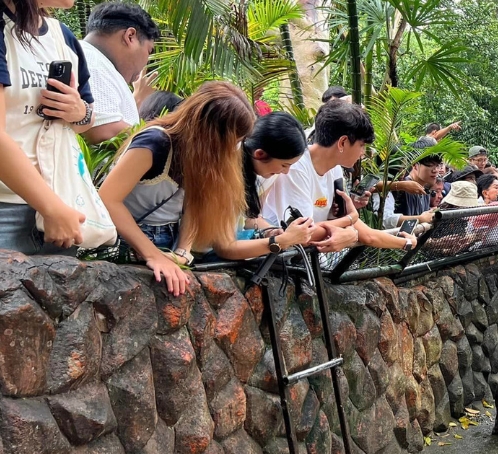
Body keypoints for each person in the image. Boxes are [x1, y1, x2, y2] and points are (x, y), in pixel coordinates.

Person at [100, 82, 315, 296]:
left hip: (171, 239)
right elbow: (108, 200)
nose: (237, 149)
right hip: (130, 240)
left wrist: (183, 252)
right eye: (235, 141)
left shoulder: (201, 154)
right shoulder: (155, 142)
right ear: (211, 133)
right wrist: (152, 255)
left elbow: (194, 202)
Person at [0, 0, 97, 254]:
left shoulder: (61, 35)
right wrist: (51, 208)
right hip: (7, 207)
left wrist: (78, 111)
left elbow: (87, 122)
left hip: (62, 203)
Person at [263, 100, 427, 247]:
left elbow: (366, 234)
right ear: (342, 142)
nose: (363, 153)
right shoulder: (295, 168)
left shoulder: (334, 169)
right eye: (362, 145)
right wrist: (350, 220)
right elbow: (303, 235)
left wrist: (404, 242)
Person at [79, 1, 159, 144]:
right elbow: (104, 130)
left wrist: (138, 99)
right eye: (149, 51)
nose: (146, 61)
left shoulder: (98, 62)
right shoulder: (93, 63)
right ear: (130, 36)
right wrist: (167, 138)